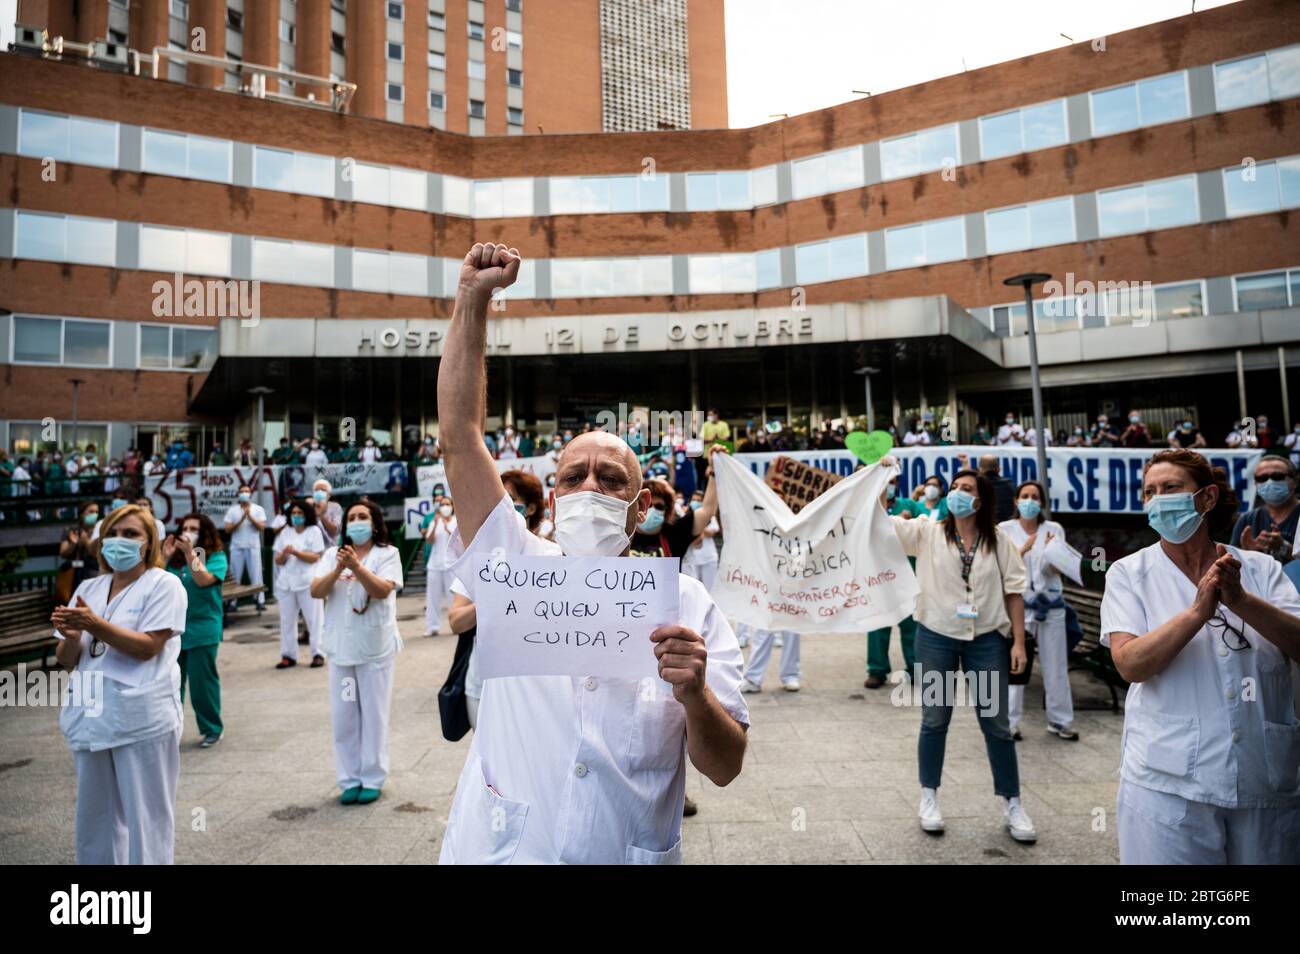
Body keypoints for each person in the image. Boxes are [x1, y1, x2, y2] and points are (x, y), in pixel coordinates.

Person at [436, 243, 748, 864]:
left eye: (610, 480)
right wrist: (474, 300)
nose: (588, 489)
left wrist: (695, 694)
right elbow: (459, 437)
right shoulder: (513, 569)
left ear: (639, 511)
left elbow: (725, 766)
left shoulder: (689, 606)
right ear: (551, 500)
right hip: (505, 847)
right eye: (573, 477)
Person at [1100, 448, 1300, 864]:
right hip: (1168, 784)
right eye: (1149, 492)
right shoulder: (1129, 574)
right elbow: (1130, 663)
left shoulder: (1261, 570)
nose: (1159, 499)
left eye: (1171, 488)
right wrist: (1196, 613)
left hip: (1263, 777)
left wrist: (1241, 601)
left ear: (1206, 498)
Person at [887, 464, 1034, 843]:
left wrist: (1017, 642)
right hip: (936, 637)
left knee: (995, 724)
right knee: (935, 719)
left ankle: (1012, 802)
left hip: (986, 640)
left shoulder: (998, 540)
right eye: (954, 486)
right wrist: (877, 476)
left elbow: (1014, 592)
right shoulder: (928, 532)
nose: (956, 493)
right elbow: (879, 523)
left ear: (980, 499)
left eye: (965, 488)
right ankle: (929, 796)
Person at [51, 504, 188, 864]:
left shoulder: (164, 584)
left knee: (147, 820)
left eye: (131, 534)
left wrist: (94, 626)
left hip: (141, 717)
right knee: (94, 821)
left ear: (149, 544)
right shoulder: (89, 587)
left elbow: (147, 647)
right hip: (91, 714)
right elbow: (66, 658)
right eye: (113, 533)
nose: (119, 541)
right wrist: (71, 636)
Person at [311, 499, 404, 805]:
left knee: (374, 716)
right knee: (344, 718)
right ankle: (349, 779)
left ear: (374, 523)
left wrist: (356, 567)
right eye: (352, 517)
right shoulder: (330, 556)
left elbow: (381, 590)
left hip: (374, 650)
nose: (357, 521)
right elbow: (316, 591)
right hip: (341, 651)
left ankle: (372, 778)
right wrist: (340, 566)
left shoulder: (388, 554)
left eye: (363, 516)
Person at [450, 470, 549, 729]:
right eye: (498, 499)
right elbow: (456, 622)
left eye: (511, 499)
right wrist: (495, 596)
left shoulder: (552, 556)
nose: (502, 507)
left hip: (539, 686)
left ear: (531, 507)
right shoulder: (478, 561)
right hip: (483, 683)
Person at [997, 481, 1077, 741]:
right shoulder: (1004, 530)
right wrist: (1023, 550)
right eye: (1025, 496)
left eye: (1035, 496)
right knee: (1016, 662)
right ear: (1016, 501)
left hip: (1050, 604)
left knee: (1056, 665)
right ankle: (1009, 721)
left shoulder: (1053, 529)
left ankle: (1060, 720)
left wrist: (1054, 555)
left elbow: (1056, 570)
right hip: (1019, 604)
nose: (1030, 500)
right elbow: (1000, 568)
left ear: (1042, 502)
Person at [164, 513, 228, 747]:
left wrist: (191, 553)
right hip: (173, 630)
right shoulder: (173, 560)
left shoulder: (216, 557)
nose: (188, 531)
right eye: (185, 527)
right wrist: (164, 558)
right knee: (171, 684)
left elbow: (203, 580)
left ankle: (211, 728)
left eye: (194, 528)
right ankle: (170, 729)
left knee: (202, 684)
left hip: (203, 627)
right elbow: (153, 581)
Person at [865, 475, 920, 689]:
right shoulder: (870, 509)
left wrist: (907, 520)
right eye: (884, 481)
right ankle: (877, 670)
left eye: (893, 481)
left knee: (911, 625)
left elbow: (923, 529)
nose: (889, 486)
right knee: (878, 625)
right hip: (879, 578)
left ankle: (916, 668)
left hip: (907, 575)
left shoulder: (910, 506)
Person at [272, 498, 326, 669]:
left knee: (314, 619)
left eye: (299, 513)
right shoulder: (285, 532)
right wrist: (284, 555)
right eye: (294, 513)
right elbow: (278, 559)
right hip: (286, 583)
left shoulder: (314, 531)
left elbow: (315, 557)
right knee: (287, 620)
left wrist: (296, 552)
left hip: (307, 581)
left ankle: (318, 653)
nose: (296, 516)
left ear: (306, 514)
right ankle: (288, 655)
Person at [630, 474, 722, 564]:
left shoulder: (676, 533)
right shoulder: (623, 534)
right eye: (648, 505)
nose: (652, 509)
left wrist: (713, 473)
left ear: (667, 509)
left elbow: (708, 510)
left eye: (659, 506)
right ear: (637, 506)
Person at [1230, 454, 1297, 568]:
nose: (1269, 482)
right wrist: (1247, 553)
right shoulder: (1247, 519)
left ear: (1294, 480)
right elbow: (1232, 563)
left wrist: (1284, 548)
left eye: (1277, 476)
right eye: (1262, 478)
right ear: (1256, 483)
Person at [223, 485, 267, 614]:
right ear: (238, 494)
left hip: (253, 546)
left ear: (250, 494)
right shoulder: (233, 510)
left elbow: (262, 527)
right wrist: (241, 519)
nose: (244, 493)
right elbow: (227, 529)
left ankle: (260, 600)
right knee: (235, 575)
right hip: (237, 546)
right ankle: (232, 601)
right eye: (241, 491)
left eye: (246, 491)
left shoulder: (258, 509)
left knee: (256, 574)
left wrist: (250, 517)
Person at [422, 495, 458, 636]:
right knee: (432, 598)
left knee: (453, 598)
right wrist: (437, 524)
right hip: (435, 565)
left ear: (452, 506)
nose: (444, 506)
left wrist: (446, 527)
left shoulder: (456, 521)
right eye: (442, 504)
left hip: (451, 565)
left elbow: (457, 540)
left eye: (447, 504)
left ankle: (456, 625)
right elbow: (429, 541)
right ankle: (432, 627)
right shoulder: (433, 521)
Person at [58, 502, 102, 602]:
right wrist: (74, 544)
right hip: (75, 575)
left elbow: (96, 553)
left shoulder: (99, 530)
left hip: (93, 574)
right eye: (91, 511)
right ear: (82, 513)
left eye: (96, 512)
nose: (94, 515)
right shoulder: (72, 530)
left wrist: (85, 540)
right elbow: (63, 553)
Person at [681, 491, 720, 592]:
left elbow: (712, 532)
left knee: (709, 590)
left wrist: (696, 526)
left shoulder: (709, 515)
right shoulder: (684, 515)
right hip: (692, 560)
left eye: (698, 501)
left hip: (708, 558)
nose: (696, 502)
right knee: (695, 591)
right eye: (694, 500)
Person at [311, 478, 344, 546]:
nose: (319, 492)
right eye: (316, 490)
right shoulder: (309, 506)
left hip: (330, 547)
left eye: (323, 490)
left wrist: (321, 515)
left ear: (329, 495)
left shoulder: (335, 507)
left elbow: (334, 532)